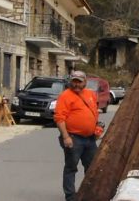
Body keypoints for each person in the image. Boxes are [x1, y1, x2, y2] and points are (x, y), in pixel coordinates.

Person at [54, 70, 99, 201]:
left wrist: (96, 127)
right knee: (71, 168)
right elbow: (59, 118)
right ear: (70, 81)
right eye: (74, 81)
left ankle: (88, 193)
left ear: (85, 82)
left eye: (79, 82)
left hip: (90, 139)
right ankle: (70, 196)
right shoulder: (65, 96)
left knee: (92, 168)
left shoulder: (90, 94)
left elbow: (94, 113)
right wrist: (66, 136)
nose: (76, 84)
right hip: (73, 138)